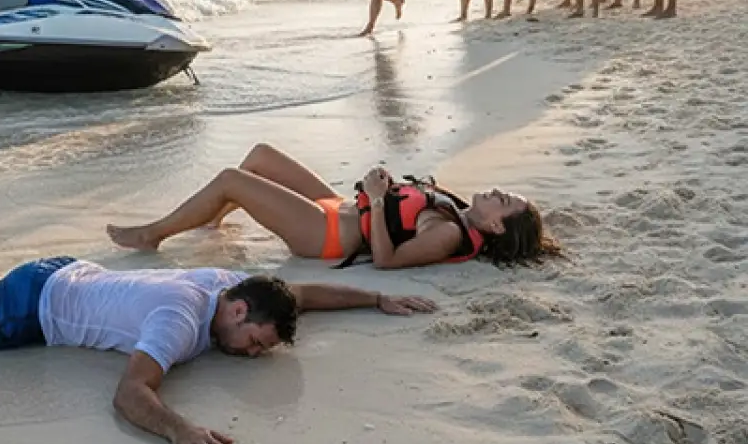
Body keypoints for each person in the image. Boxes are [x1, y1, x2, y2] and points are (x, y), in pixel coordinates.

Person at [0, 253, 437, 444]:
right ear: (234, 311)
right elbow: (128, 393)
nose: (253, 353)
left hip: (62, 270)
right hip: (34, 310)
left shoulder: (234, 285)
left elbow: (303, 294)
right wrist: (180, 430)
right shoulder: (179, 319)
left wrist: (376, 299)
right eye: (254, 341)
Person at [107, 143, 562, 270]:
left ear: (497, 229)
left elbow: (385, 260)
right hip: (341, 205)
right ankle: (214, 218)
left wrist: (381, 197)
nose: (497, 191)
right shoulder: (460, 210)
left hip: (326, 236)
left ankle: (153, 235)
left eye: (503, 201)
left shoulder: (448, 235)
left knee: (232, 179)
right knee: (262, 155)